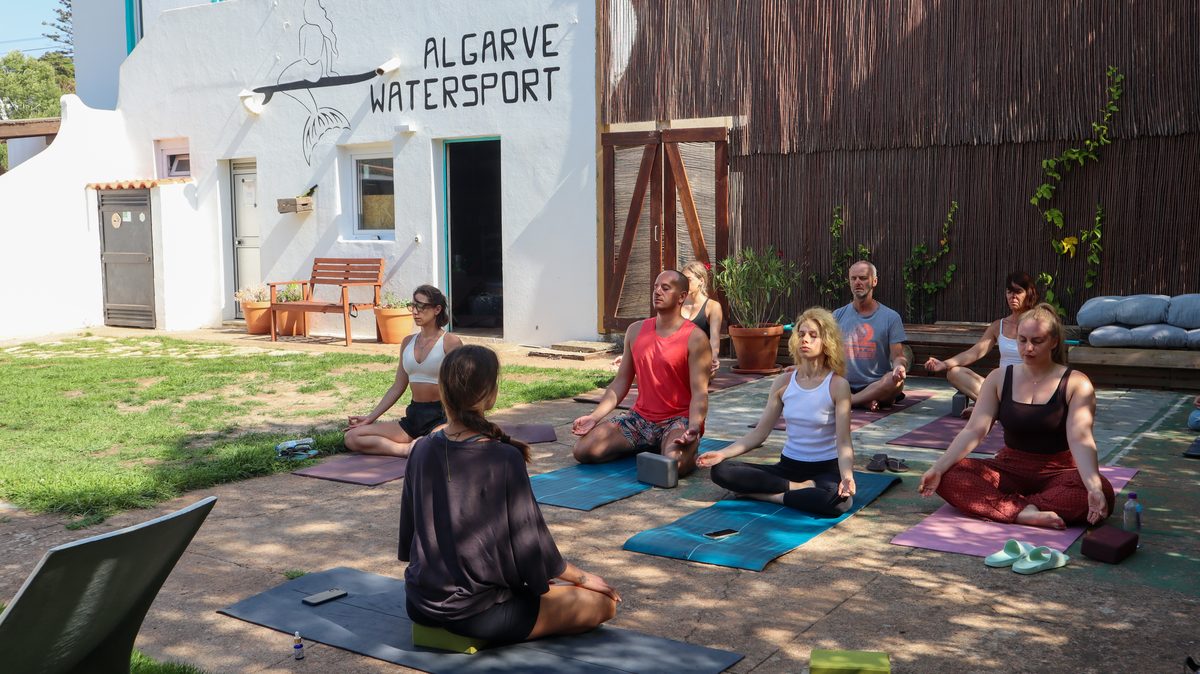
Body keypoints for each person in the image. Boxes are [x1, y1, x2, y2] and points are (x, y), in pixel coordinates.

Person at [398, 345, 620, 645]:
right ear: (491, 394)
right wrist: (582, 579)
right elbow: (531, 544)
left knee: (548, 588)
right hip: (478, 614)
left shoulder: (421, 448)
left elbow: (410, 537)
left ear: (443, 390)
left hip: (420, 604)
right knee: (603, 604)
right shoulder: (503, 457)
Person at [917, 303, 1115, 529]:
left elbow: (1080, 438)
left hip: (1059, 472)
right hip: (1009, 468)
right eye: (1022, 340)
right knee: (951, 475)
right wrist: (938, 468)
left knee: (1103, 492)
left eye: (1037, 341)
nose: (1028, 348)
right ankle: (1024, 513)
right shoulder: (998, 378)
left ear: (1054, 342)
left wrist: (1093, 488)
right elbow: (974, 430)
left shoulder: (1076, 382)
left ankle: (1010, 507)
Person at [696, 307, 856, 516]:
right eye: (801, 335)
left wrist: (847, 476)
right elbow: (759, 433)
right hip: (788, 467)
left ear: (827, 342)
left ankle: (769, 496)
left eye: (813, 335)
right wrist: (721, 453)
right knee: (722, 471)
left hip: (825, 469)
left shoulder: (837, 385)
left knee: (839, 502)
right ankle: (795, 488)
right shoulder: (784, 382)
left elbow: (844, 442)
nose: (805, 340)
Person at [572, 270, 712, 476]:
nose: (657, 292)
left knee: (672, 466)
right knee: (583, 451)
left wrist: (693, 427)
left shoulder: (696, 338)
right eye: (655, 287)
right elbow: (620, 382)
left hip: (677, 420)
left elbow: (700, 393)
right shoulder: (635, 330)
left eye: (665, 288)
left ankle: (683, 447)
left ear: (682, 296)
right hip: (639, 419)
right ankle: (643, 445)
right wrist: (594, 417)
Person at [344, 285, 462, 457]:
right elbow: (398, 386)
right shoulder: (407, 342)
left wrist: (457, 422)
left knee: (439, 444)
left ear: (437, 309)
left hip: (442, 415)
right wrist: (370, 418)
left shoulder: (451, 342)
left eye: (421, 306)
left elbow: (460, 390)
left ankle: (422, 446)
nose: (415, 311)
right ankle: (407, 450)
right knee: (352, 437)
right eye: (413, 306)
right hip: (414, 416)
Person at [924, 272, 1039, 414]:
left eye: (1018, 292)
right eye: (1009, 292)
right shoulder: (999, 325)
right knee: (954, 372)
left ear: (1029, 293)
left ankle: (990, 408)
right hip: (1001, 386)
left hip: (1027, 388)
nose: (1012, 296)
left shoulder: (1038, 323)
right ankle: (996, 407)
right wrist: (944, 364)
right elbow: (976, 352)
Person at [610, 260, 723, 374]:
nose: (685, 284)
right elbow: (658, 334)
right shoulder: (677, 302)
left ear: (701, 281)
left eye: (689, 280)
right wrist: (630, 356)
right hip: (673, 356)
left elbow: (714, 338)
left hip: (698, 358)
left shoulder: (712, 307)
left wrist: (713, 357)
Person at [833, 261, 908, 411]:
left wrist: (899, 366)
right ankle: (865, 401)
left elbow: (898, 356)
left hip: (877, 384)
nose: (858, 282)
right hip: (842, 384)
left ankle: (851, 401)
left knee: (895, 383)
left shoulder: (891, 317)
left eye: (863, 278)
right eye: (853, 279)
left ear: (874, 281)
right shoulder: (837, 315)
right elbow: (824, 353)